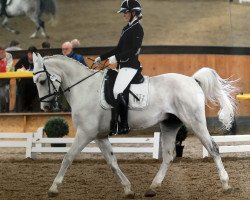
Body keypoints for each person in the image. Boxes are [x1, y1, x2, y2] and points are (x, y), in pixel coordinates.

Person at [94, 0, 144, 135]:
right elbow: (118, 48)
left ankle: (123, 124)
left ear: (133, 13)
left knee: (117, 91)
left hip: (131, 66)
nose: (123, 15)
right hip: (122, 66)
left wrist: (116, 58)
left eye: (125, 12)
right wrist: (102, 57)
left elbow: (133, 50)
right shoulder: (126, 28)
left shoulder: (138, 29)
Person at [14, 46, 39, 112]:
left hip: (35, 81)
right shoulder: (23, 59)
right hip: (24, 81)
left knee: (34, 88)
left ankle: (34, 109)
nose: (30, 56)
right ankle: (22, 109)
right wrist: (21, 69)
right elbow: (15, 68)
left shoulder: (38, 61)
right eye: (29, 54)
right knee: (21, 87)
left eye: (32, 54)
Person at [0, 45, 13, 112]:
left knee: (5, 94)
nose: (2, 54)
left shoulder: (8, 55)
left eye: (3, 52)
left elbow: (9, 67)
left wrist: (3, 60)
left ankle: (5, 110)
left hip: (5, 79)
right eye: (0, 52)